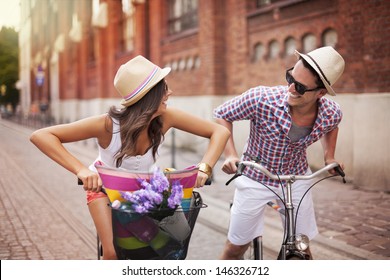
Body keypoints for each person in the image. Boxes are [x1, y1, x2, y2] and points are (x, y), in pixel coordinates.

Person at [30, 55, 230, 259]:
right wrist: (81, 170)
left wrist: (205, 168)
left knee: (168, 248)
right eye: (164, 87)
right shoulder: (108, 125)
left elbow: (219, 132)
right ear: (149, 96)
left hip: (145, 193)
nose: (169, 92)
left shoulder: (165, 118)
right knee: (113, 254)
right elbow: (41, 136)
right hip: (105, 190)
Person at [214, 46, 345, 260]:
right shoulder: (261, 99)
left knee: (301, 248)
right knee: (235, 247)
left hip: (296, 179)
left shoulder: (331, 112)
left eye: (300, 87)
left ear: (320, 93)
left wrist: (329, 157)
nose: (291, 88)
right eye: (289, 78)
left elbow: (332, 126)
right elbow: (221, 114)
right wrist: (230, 154)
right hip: (254, 177)